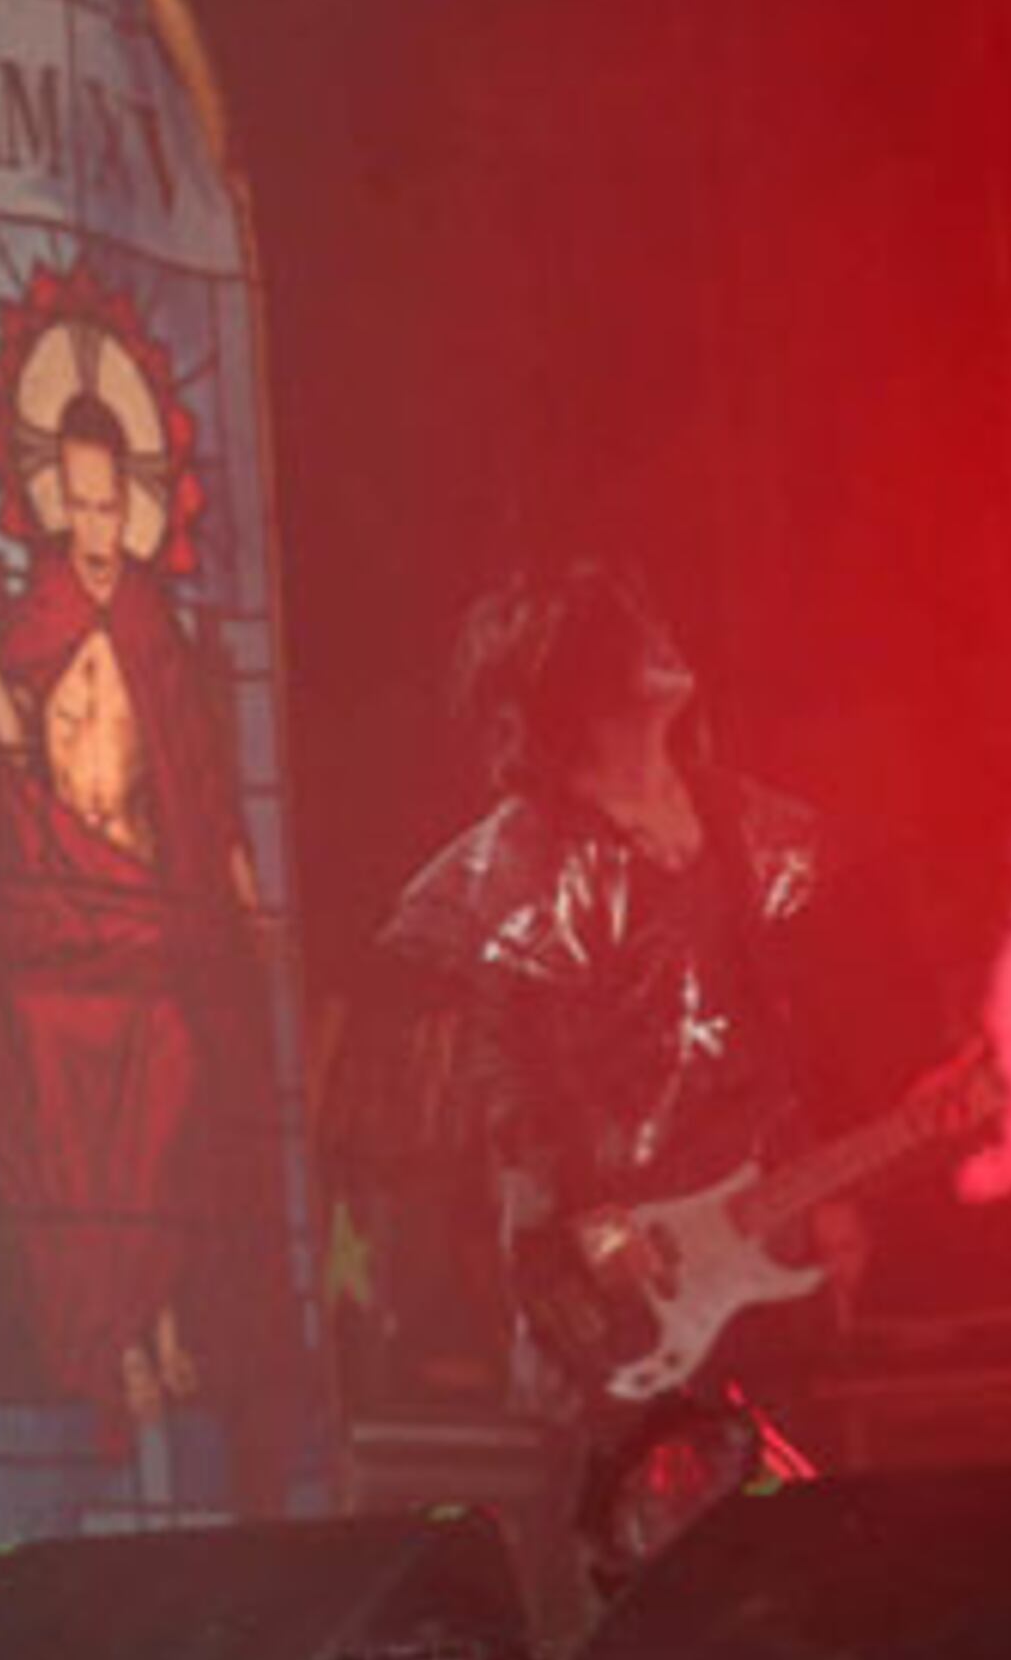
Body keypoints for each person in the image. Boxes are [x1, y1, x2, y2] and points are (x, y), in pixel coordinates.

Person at [359, 562, 847, 1592]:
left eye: (659, 620)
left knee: (790, 1534)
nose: (667, 644)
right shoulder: (518, 865)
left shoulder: (742, 825)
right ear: (577, 684)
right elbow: (512, 1071)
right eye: (632, 634)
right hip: (614, 1269)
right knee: (636, 1532)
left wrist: (824, 1182)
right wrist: (590, 1214)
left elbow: (780, 1033)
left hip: (753, 1237)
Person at [0, 386, 300, 1504]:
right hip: (61, 900)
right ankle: (118, 1337)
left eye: (110, 504)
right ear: (58, 503)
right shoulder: (38, 613)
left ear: (131, 506)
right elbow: (17, 751)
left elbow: (195, 776)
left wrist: (238, 884)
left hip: (146, 901)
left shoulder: (153, 627)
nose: (95, 525)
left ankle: (158, 1313)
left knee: (177, 1064)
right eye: (77, 504)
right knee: (24, 1037)